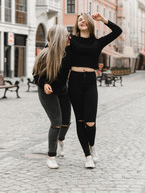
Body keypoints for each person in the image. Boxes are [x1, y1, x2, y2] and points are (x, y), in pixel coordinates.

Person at [68, 12, 122, 168]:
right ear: (77, 25)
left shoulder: (97, 42)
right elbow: (54, 47)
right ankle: (87, 156)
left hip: (90, 82)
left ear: (90, 23)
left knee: (90, 122)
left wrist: (103, 20)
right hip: (75, 82)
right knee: (80, 120)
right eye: (79, 20)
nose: (82, 21)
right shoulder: (71, 40)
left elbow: (117, 31)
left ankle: (92, 145)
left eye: (85, 19)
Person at [33, 25, 71, 169]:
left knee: (66, 123)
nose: (69, 37)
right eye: (67, 35)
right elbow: (36, 76)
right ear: (60, 38)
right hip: (47, 92)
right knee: (56, 123)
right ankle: (51, 156)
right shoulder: (45, 54)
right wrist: (44, 84)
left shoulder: (68, 53)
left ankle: (60, 140)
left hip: (62, 91)